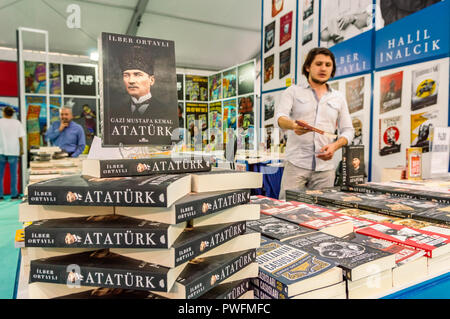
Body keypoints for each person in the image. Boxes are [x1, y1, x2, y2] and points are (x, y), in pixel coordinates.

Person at [276, 47, 354, 199]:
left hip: (325, 170)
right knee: (287, 209)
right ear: (307, 67)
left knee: (323, 214)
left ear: (332, 69)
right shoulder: (293, 91)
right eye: (318, 64)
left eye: (328, 65)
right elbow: (280, 119)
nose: (323, 68)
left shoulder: (338, 97)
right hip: (296, 165)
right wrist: (293, 125)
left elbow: (348, 130)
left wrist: (335, 146)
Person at [120, 52, 163, 116]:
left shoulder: (166, 111)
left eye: (137, 75)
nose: (131, 81)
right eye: (126, 75)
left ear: (151, 80)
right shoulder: (118, 111)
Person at [0, 106, 25, 200]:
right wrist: (21, 149)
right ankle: (14, 194)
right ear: (12, 113)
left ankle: (0, 195)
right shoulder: (17, 123)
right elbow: (20, 138)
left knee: (0, 175)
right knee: (14, 174)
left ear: (4, 113)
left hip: (1, 151)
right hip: (13, 151)